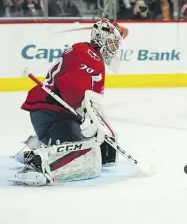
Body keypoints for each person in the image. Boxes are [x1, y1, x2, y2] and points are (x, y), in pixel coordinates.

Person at [12, 19, 124, 186]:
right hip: (52, 112)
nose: (115, 48)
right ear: (101, 39)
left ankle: (44, 144)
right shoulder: (89, 56)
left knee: (90, 142)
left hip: (50, 111)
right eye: (112, 42)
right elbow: (70, 91)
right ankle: (40, 163)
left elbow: (82, 96)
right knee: (82, 154)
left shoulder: (87, 51)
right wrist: (84, 113)